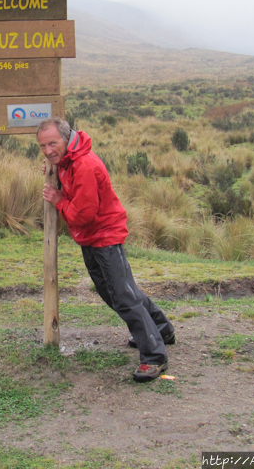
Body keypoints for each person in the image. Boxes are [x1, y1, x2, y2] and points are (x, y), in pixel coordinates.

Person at [37, 117, 175, 382]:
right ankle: (161, 330)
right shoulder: (69, 160)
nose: (48, 150)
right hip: (94, 238)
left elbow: (84, 215)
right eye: (43, 146)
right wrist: (54, 168)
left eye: (52, 143)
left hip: (104, 237)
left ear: (66, 138)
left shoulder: (84, 165)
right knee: (120, 292)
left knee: (122, 296)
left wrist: (59, 200)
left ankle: (154, 357)